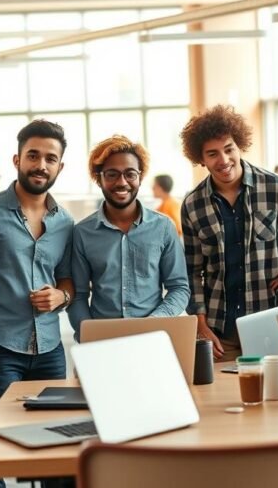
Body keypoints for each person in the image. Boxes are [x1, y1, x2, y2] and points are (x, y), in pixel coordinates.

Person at [0, 119, 75, 488]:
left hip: (50, 349)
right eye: (33, 155)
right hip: (2, 348)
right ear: (17, 159)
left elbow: (68, 281)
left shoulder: (64, 221)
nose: (41, 164)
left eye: (50, 158)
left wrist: (60, 298)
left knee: (58, 444)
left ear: (60, 167)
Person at [180, 105, 278, 361]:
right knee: (221, 399)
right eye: (212, 154)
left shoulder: (274, 187)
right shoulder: (192, 204)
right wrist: (200, 326)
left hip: (271, 320)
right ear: (201, 159)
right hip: (221, 331)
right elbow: (192, 272)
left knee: (275, 396)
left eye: (228, 149)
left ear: (239, 146)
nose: (223, 160)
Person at [68, 136, 190, 340]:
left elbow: (179, 288)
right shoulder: (82, 232)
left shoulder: (163, 227)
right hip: (102, 341)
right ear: (99, 178)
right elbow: (78, 296)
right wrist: (88, 335)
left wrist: (155, 323)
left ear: (140, 178)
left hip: (153, 338)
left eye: (130, 174)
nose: (122, 182)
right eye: (112, 174)